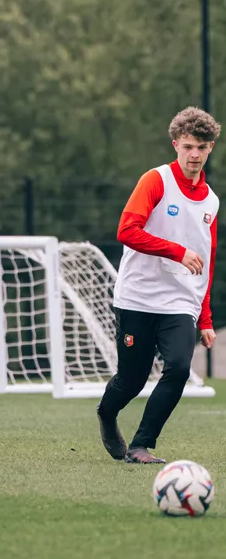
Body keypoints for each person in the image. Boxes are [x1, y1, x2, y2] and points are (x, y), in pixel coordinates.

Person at [97, 106, 221, 464]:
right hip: (137, 297)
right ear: (175, 145)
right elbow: (126, 231)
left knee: (180, 368)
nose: (194, 154)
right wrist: (176, 252)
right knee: (131, 381)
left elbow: (207, 260)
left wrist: (207, 317)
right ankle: (107, 414)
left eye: (201, 146)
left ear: (211, 147)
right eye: (187, 147)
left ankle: (140, 445)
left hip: (181, 303)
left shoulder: (211, 200)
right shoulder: (156, 181)